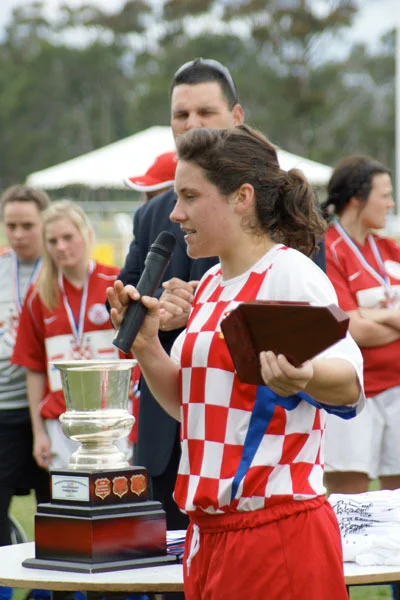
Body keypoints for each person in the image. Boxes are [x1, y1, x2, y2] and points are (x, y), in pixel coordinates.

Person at [108, 125, 365, 600]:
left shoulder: (290, 274)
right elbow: (192, 407)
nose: (175, 213)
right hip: (209, 536)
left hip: (275, 534)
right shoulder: (210, 284)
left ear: (242, 198)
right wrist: (147, 346)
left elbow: (350, 385)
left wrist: (305, 376)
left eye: (189, 196)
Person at [12, 200, 124, 471]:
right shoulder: (38, 295)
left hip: (115, 418)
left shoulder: (116, 282)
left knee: (115, 495)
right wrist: (39, 432)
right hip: (63, 422)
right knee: (72, 497)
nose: (61, 247)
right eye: (52, 241)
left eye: (68, 237)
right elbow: (34, 368)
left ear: (87, 234)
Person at [322, 155, 400, 494]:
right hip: (353, 391)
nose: (391, 204)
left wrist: (371, 314)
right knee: (349, 498)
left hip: (397, 388)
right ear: (357, 198)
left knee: (395, 501)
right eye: (385, 195)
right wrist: (391, 317)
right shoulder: (328, 250)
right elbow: (353, 330)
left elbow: (361, 320)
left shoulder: (389, 248)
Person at [0, 185, 51, 600]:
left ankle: (51, 588)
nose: (18, 235)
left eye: (28, 226)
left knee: (53, 506)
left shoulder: (59, 267)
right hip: (3, 409)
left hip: (48, 411)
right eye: (11, 225)